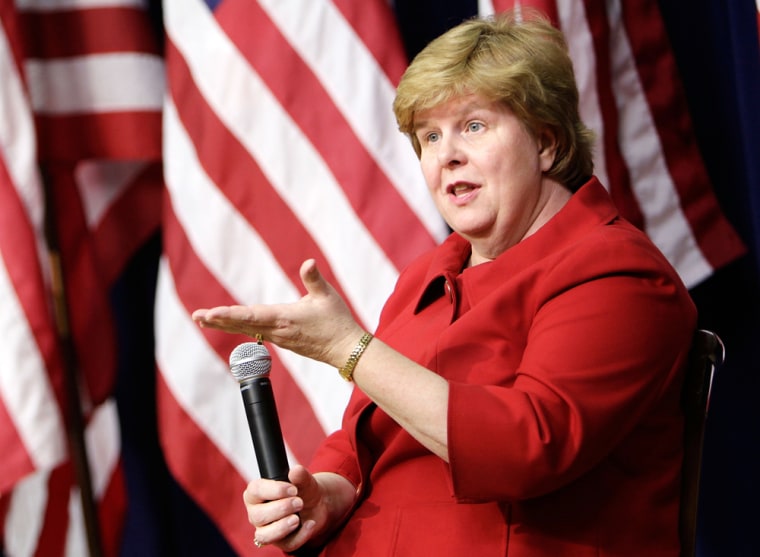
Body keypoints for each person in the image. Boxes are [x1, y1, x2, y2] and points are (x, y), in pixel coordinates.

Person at [192, 9, 697, 557]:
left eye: (473, 126)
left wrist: (349, 347)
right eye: (430, 136)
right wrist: (326, 496)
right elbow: (363, 440)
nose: (446, 154)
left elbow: (528, 448)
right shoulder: (426, 277)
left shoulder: (616, 273)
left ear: (547, 143)